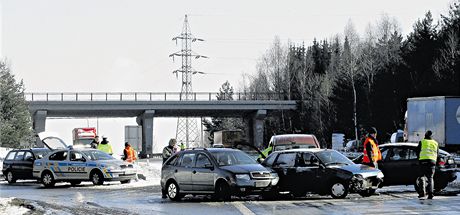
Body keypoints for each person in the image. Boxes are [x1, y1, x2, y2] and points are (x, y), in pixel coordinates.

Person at [416, 130, 439, 200]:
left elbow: (417, 151)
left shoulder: (422, 142)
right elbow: (437, 153)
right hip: (432, 162)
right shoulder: (435, 143)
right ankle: (431, 194)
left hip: (423, 161)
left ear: (425, 136)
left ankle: (422, 193)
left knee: (422, 177)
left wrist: (419, 158)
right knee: (430, 178)